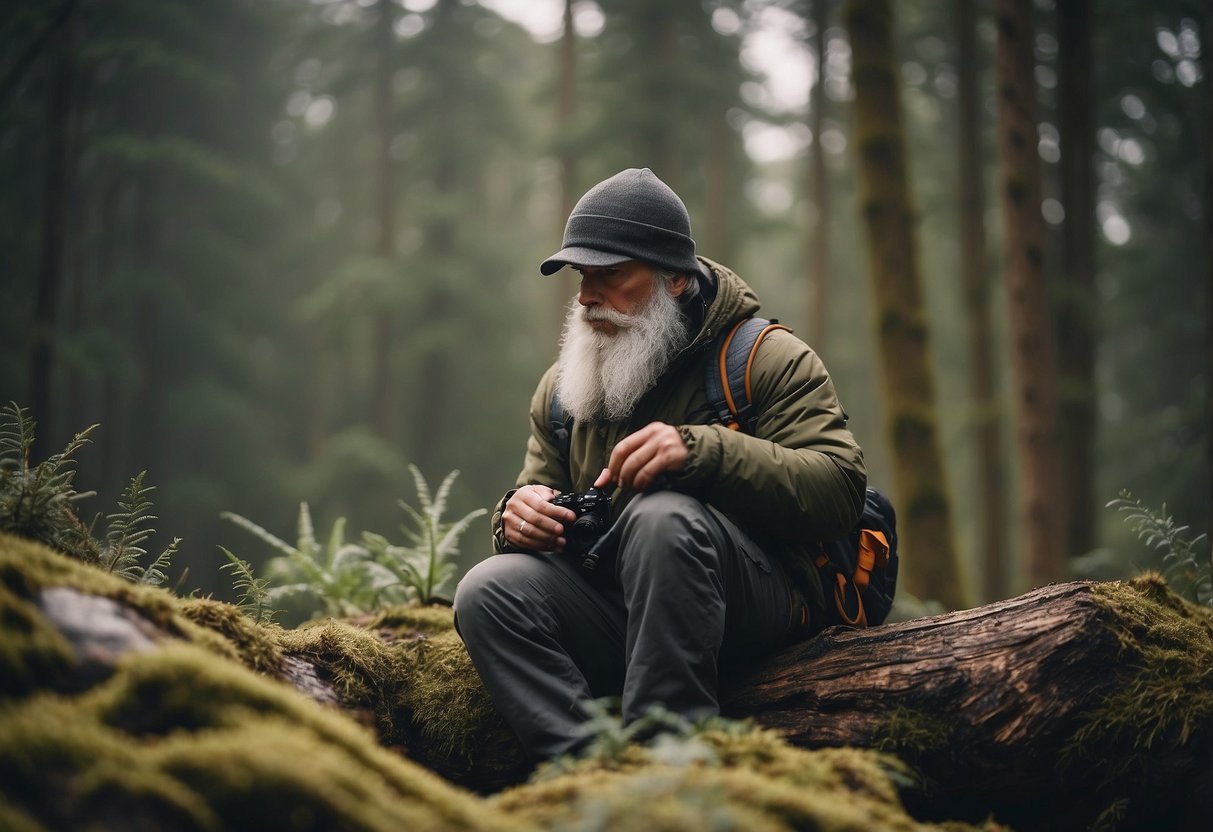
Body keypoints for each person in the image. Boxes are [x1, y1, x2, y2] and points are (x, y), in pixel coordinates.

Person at [453, 167, 866, 763]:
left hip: (760, 602)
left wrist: (701, 452)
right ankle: (595, 775)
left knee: (663, 518)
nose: (588, 296)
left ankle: (668, 770)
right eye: (582, 277)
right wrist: (517, 517)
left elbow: (839, 489)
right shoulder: (564, 387)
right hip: (624, 605)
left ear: (675, 279)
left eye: (612, 275)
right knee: (487, 590)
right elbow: (537, 491)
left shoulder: (765, 358)